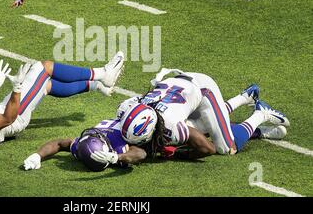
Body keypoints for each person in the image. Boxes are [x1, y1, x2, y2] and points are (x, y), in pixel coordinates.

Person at [0, 52, 124, 149]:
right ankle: (101, 74)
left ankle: (97, 86)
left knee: (45, 86)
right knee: (43, 68)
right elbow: (8, 118)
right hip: (13, 118)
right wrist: (16, 89)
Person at [118, 68, 289, 159]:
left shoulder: (170, 126)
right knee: (205, 126)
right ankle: (246, 97)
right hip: (181, 90)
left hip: (203, 90)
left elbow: (208, 149)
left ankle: (261, 114)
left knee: (226, 148)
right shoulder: (128, 107)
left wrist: (178, 154)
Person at [23, 117, 147, 172]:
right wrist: (37, 156)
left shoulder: (117, 143)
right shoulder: (82, 147)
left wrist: (117, 157)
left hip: (127, 123)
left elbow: (141, 153)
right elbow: (59, 144)